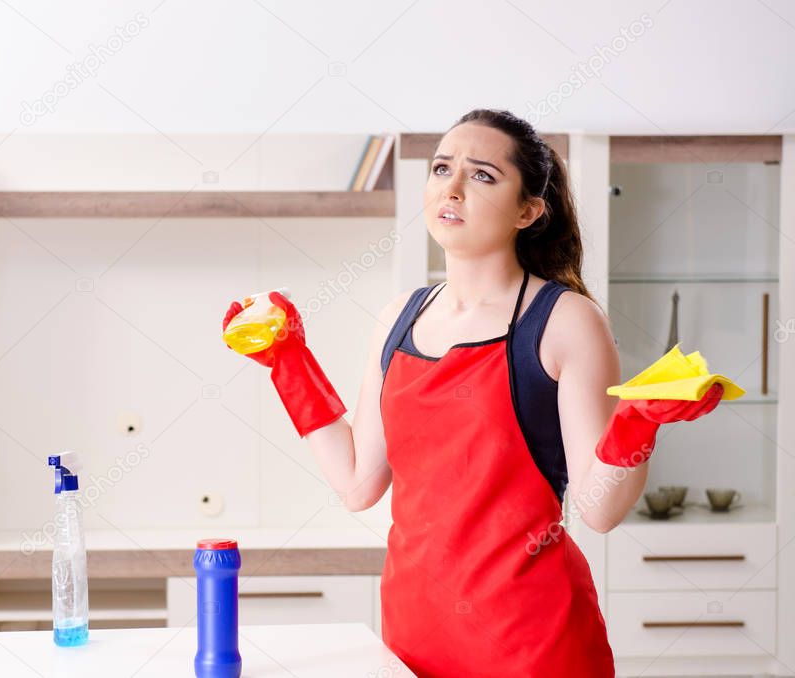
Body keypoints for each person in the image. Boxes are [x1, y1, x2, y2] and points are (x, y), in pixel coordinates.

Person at [221, 108, 723, 677]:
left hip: (533, 643)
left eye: (483, 175)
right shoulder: (398, 320)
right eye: (441, 169)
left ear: (528, 210)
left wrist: (637, 421)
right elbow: (359, 484)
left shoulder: (563, 321)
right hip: (413, 638)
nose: (452, 188)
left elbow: (599, 509)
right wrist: (289, 361)